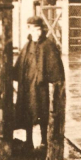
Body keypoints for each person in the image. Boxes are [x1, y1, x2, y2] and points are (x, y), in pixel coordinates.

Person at [13, 16, 65, 151]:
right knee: (26, 113)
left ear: (42, 30)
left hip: (39, 86)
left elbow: (55, 67)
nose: (36, 33)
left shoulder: (48, 45)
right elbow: (19, 65)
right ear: (28, 30)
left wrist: (54, 81)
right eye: (33, 30)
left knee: (41, 112)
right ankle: (28, 140)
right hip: (26, 85)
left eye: (38, 30)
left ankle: (43, 141)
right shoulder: (27, 45)